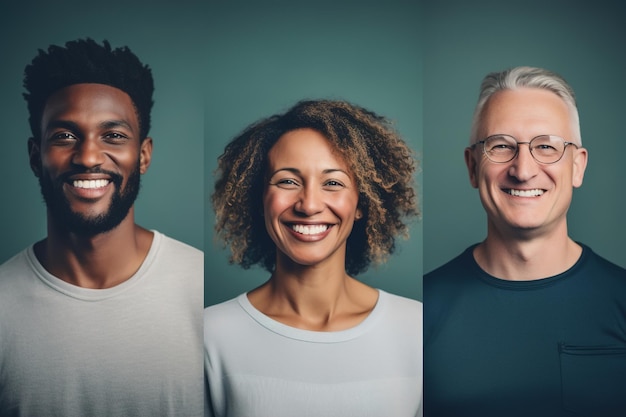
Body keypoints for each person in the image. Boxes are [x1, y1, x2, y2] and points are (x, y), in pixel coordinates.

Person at [0, 39, 204, 416]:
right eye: (64, 136)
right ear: (35, 156)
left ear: (142, 156)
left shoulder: (203, 291)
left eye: (113, 136)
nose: (89, 156)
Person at [424, 66, 626, 416]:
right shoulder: (421, 310)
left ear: (577, 167)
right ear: (473, 167)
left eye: (546, 146)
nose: (523, 169)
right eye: (501, 146)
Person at [205, 99, 422, 417]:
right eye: (288, 181)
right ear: (260, 199)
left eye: (333, 183)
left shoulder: (416, 329)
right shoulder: (210, 335)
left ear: (362, 203)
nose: (308, 205)